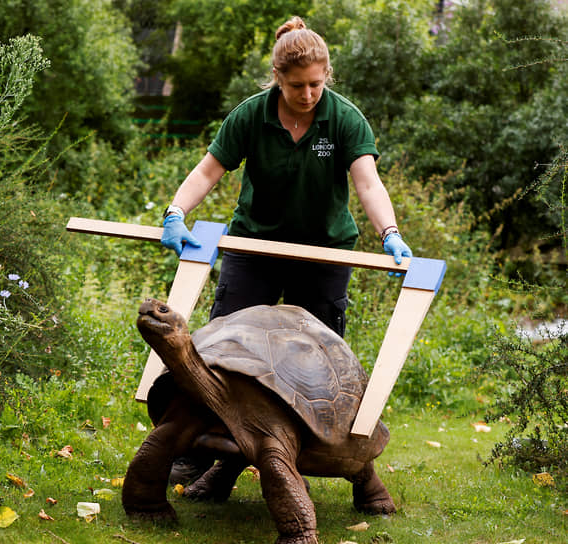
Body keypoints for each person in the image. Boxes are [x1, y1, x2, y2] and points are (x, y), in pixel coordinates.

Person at [160, 15, 412, 483]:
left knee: (316, 363)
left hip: (325, 255)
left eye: (316, 84)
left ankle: (322, 460)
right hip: (254, 245)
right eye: (297, 85)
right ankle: (196, 453)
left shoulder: (344, 118)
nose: (308, 94)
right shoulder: (251, 115)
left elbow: (368, 184)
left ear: (327, 77)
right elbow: (207, 172)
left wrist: (390, 232)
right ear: (278, 78)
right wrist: (176, 212)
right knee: (219, 351)